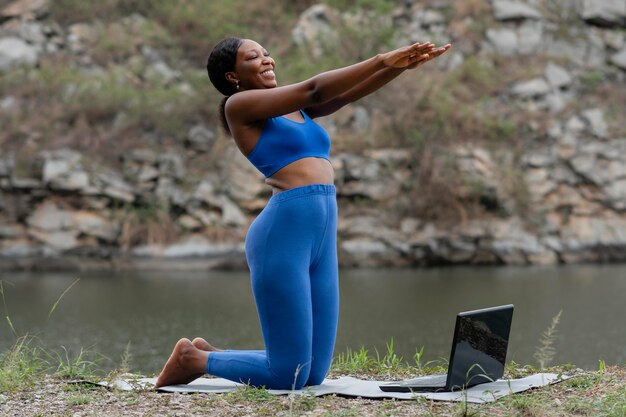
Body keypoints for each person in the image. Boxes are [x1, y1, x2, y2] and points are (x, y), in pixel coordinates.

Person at [155, 36, 451, 390]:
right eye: (254, 57)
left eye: (267, 53)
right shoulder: (240, 106)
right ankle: (195, 359)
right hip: (282, 235)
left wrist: (395, 69)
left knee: (313, 373)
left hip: (322, 234)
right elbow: (314, 89)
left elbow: (344, 95)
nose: (268, 60)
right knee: (287, 376)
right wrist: (381, 58)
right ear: (233, 76)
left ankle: (207, 354)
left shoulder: (294, 110)